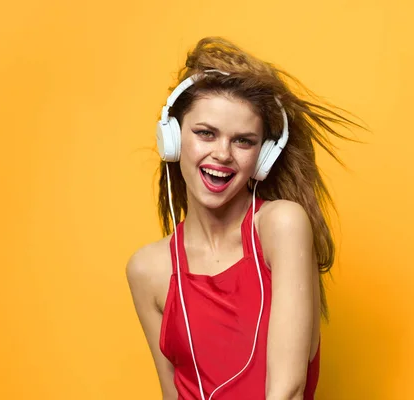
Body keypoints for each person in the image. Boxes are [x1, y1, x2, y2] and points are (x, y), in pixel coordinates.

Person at [126, 37, 360, 400]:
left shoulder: (281, 226)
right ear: (171, 139)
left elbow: (288, 389)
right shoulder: (147, 269)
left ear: (263, 158)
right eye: (205, 133)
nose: (222, 154)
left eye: (243, 141)